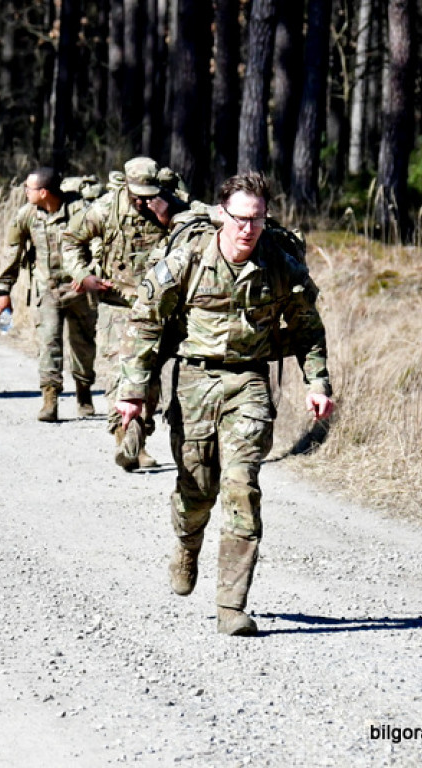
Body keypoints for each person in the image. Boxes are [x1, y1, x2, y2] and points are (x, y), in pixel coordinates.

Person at [114, 171, 334, 636]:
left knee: (242, 487)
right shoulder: (188, 259)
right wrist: (133, 392)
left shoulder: (279, 265)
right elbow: (146, 321)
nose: (248, 229)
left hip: (249, 382)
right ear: (221, 215)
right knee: (196, 490)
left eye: (257, 219)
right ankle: (186, 544)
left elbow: (308, 328)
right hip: (194, 381)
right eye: (240, 218)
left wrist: (317, 383)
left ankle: (231, 606)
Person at [63, 157, 188, 468]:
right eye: (138, 196)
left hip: (158, 310)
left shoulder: (173, 207)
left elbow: (198, 239)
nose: (143, 202)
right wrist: (82, 275)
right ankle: (126, 439)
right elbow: (71, 240)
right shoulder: (105, 209)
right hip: (117, 305)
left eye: (149, 195)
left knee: (150, 378)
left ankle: (138, 436)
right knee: (120, 374)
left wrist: (170, 219)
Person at [0, 167, 97, 422]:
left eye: (28, 188)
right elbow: (12, 252)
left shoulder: (81, 211)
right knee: (48, 344)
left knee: (83, 346)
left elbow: (100, 245)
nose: (25, 192)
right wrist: (4, 290)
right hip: (47, 290)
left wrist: (88, 275)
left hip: (79, 292)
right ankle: (50, 400)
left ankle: (84, 393)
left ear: (43, 192)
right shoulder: (27, 215)